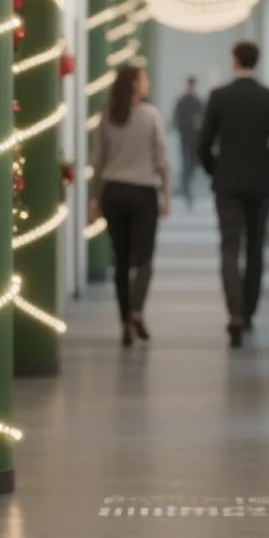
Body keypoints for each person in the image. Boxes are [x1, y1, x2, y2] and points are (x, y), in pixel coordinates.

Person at [196, 41, 269, 348]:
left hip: (228, 185)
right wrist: (267, 165)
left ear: (234, 60)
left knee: (229, 246)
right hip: (261, 186)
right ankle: (249, 312)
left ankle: (234, 312)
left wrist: (217, 170)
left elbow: (203, 144)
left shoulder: (219, 97)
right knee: (255, 248)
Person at [88, 63, 170, 347]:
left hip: (114, 192)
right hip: (144, 193)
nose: (147, 82)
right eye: (143, 78)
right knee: (144, 258)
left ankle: (125, 321)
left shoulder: (107, 114)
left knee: (121, 260)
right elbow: (161, 159)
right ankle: (137, 310)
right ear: (134, 84)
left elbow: (97, 160)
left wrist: (94, 196)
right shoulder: (151, 115)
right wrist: (168, 195)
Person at [172, 76, 205, 207]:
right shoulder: (188, 101)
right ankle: (185, 184)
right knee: (188, 160)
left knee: (190, 161)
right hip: (188, 136)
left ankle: (185, 183)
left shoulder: (192, 101)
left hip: (191, 136)